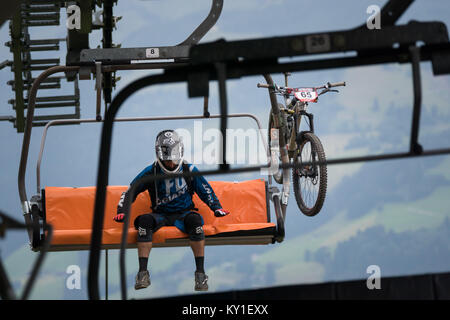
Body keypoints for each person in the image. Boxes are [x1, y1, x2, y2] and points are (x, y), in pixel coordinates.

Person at [113, 129, 230, 291]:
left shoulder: (189, 169)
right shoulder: (151, 171)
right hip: (160, 215)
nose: (171, 164)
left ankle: (200, 274)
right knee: (144, 221)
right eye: (167, 160)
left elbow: (205, 190)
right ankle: (142, 273)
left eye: (174, 159)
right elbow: (130, 191)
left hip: (184, 214)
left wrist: (216, 208)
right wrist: (122, 210)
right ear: (159, 156)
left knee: (196, 221)